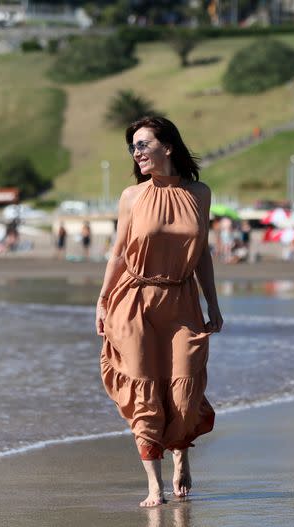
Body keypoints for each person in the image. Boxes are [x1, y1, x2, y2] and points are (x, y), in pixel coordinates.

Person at [95, 116, 223, 508]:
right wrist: (102, 299)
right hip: (133, 299)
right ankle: (154, 484)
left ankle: (181, 456)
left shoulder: (199, 193)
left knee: (184, 391)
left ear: (167, 147)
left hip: (181, 299)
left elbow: (201, 253)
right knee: (144, 387)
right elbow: (118, 251)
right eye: (133, 147)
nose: (137, 153)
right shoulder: (132, 197)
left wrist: (212, 302)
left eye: (142, 144)